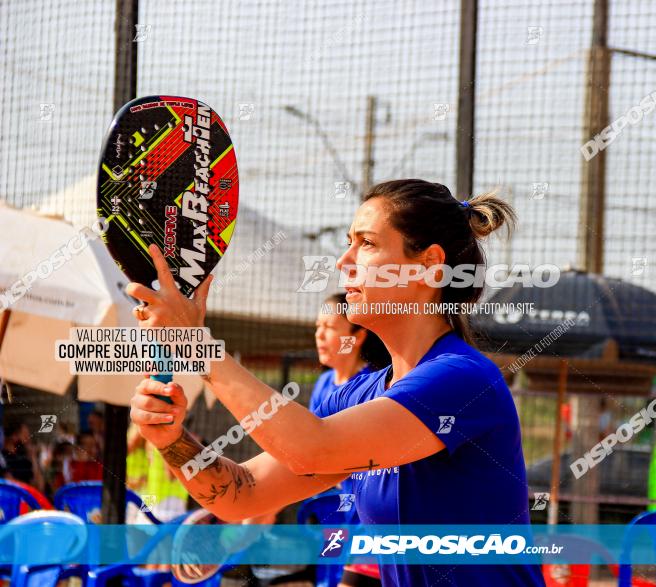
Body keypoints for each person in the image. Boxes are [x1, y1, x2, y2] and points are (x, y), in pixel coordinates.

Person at [128, 179, 546, 587]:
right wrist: (171, 439)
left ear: (429, 264)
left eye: (366, 243)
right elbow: (243, 495)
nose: (344, 261)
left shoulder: (461, 378)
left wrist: (198, 346)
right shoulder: (361, 393)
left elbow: (312, 448)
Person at [311, 292, 389, 587]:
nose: (319, 334)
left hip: (365, 516)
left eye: (329, 327)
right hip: (334, 511)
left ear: (357, 336)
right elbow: (308, 451)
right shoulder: (323, 384)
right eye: (317, 326)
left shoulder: (374, 387)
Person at [2, 420, 45, 492]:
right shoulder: (3, 458)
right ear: (14, 436)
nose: (28, 438)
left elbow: (40, 486)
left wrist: (33, 458)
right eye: (25, 434)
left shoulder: (24, 459)